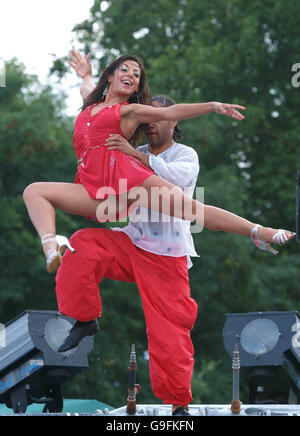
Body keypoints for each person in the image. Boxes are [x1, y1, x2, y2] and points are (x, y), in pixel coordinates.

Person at [55, 52, 294, 416]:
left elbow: (178, 185)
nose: (151, 124)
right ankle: (84, 318)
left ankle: (179, 404)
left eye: (158, 117)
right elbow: (97, 107)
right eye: (146, 118)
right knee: (82, 245)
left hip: (167, 256)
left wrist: (139, 156)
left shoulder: (185, 155)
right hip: (132, 244)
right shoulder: (131, 147)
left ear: (171, 123)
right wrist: (86, 77)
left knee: (170, 332)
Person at [23, 52, 293, 276]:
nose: (131, 75)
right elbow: (88, 89)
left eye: (137, 75)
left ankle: (258, 231)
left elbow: (171, 112)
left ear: (138, 87)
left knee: (193, 211)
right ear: (110, 76)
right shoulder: (88, 107)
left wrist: (212, 105)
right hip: (99, 191)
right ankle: (51, 246)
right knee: (34, 191)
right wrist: (85, 75)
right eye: (125, 70)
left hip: (129, 183)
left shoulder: (128, 111)